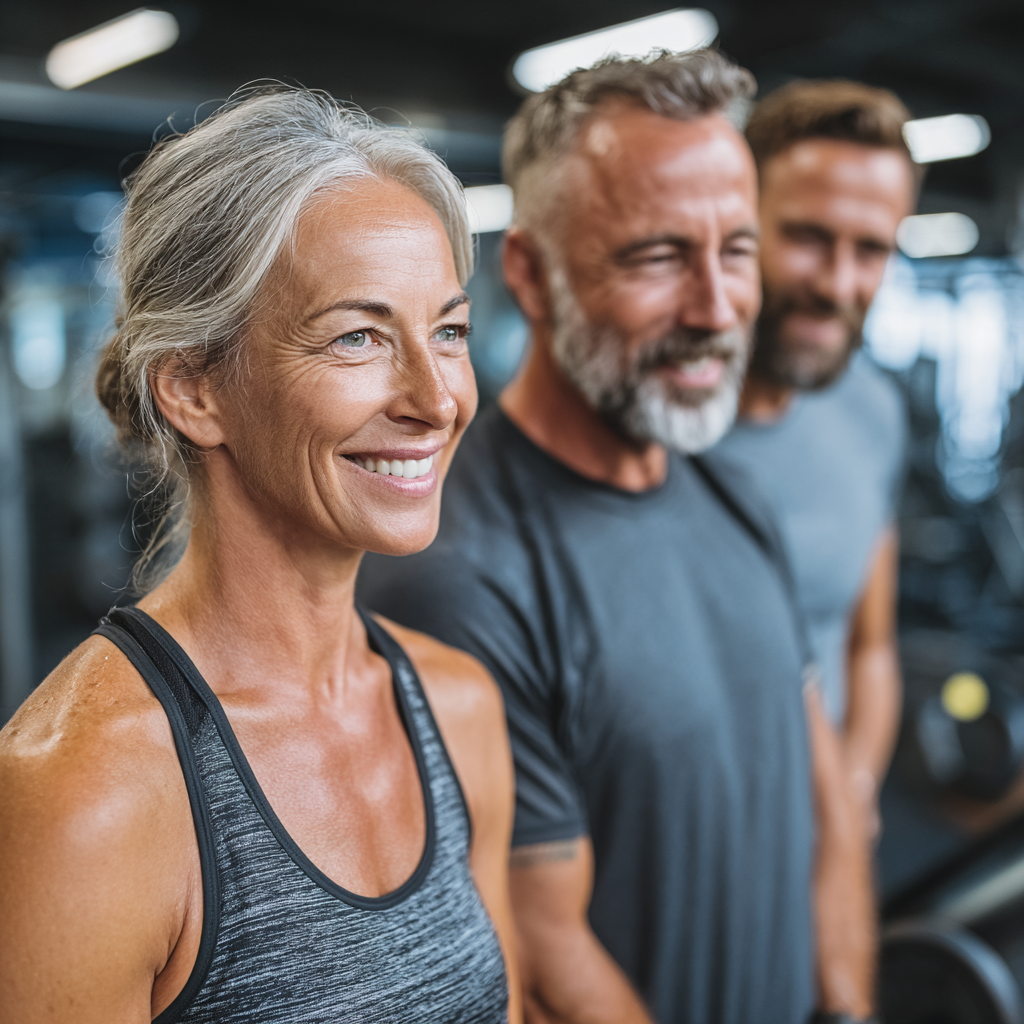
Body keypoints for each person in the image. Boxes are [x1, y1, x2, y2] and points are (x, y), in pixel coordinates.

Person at [0, 86, 520, 1024]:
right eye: (358, 336)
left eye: (447, 331)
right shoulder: (85, 792)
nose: (437, 398)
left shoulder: (457, 708)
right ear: (196, 389)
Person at [361, 51, 847, 1024]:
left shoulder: (728, 487)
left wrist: (850, 1006)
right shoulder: (459, 573)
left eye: (738, 250)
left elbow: (825, 810)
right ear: (532, 276)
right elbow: (540, 957)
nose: (716, 308)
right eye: (658, 256)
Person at [715, 83, 912, 827]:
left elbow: (871, 646)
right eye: (806, 237)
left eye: (870, 249)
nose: (837, 283)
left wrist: (850, 801)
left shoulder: (875, 412)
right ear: (741, 221)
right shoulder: (652, 429)